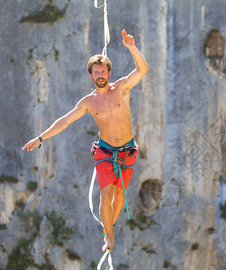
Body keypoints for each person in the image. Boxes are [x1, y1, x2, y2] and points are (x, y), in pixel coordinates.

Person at [22, 29, 149, 252]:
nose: (100, 75)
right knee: (106, 193)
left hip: (128, 149)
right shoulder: (88, 102)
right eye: (96, 72)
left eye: (103, 71)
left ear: (109, 72)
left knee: (120, 193)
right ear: (90, 75)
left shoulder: (121, 88)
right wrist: (40, 137)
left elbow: (142, 69)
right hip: (105, 150)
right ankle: (108, 236)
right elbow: (64, 121)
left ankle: (110, 224)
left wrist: (131, 48)